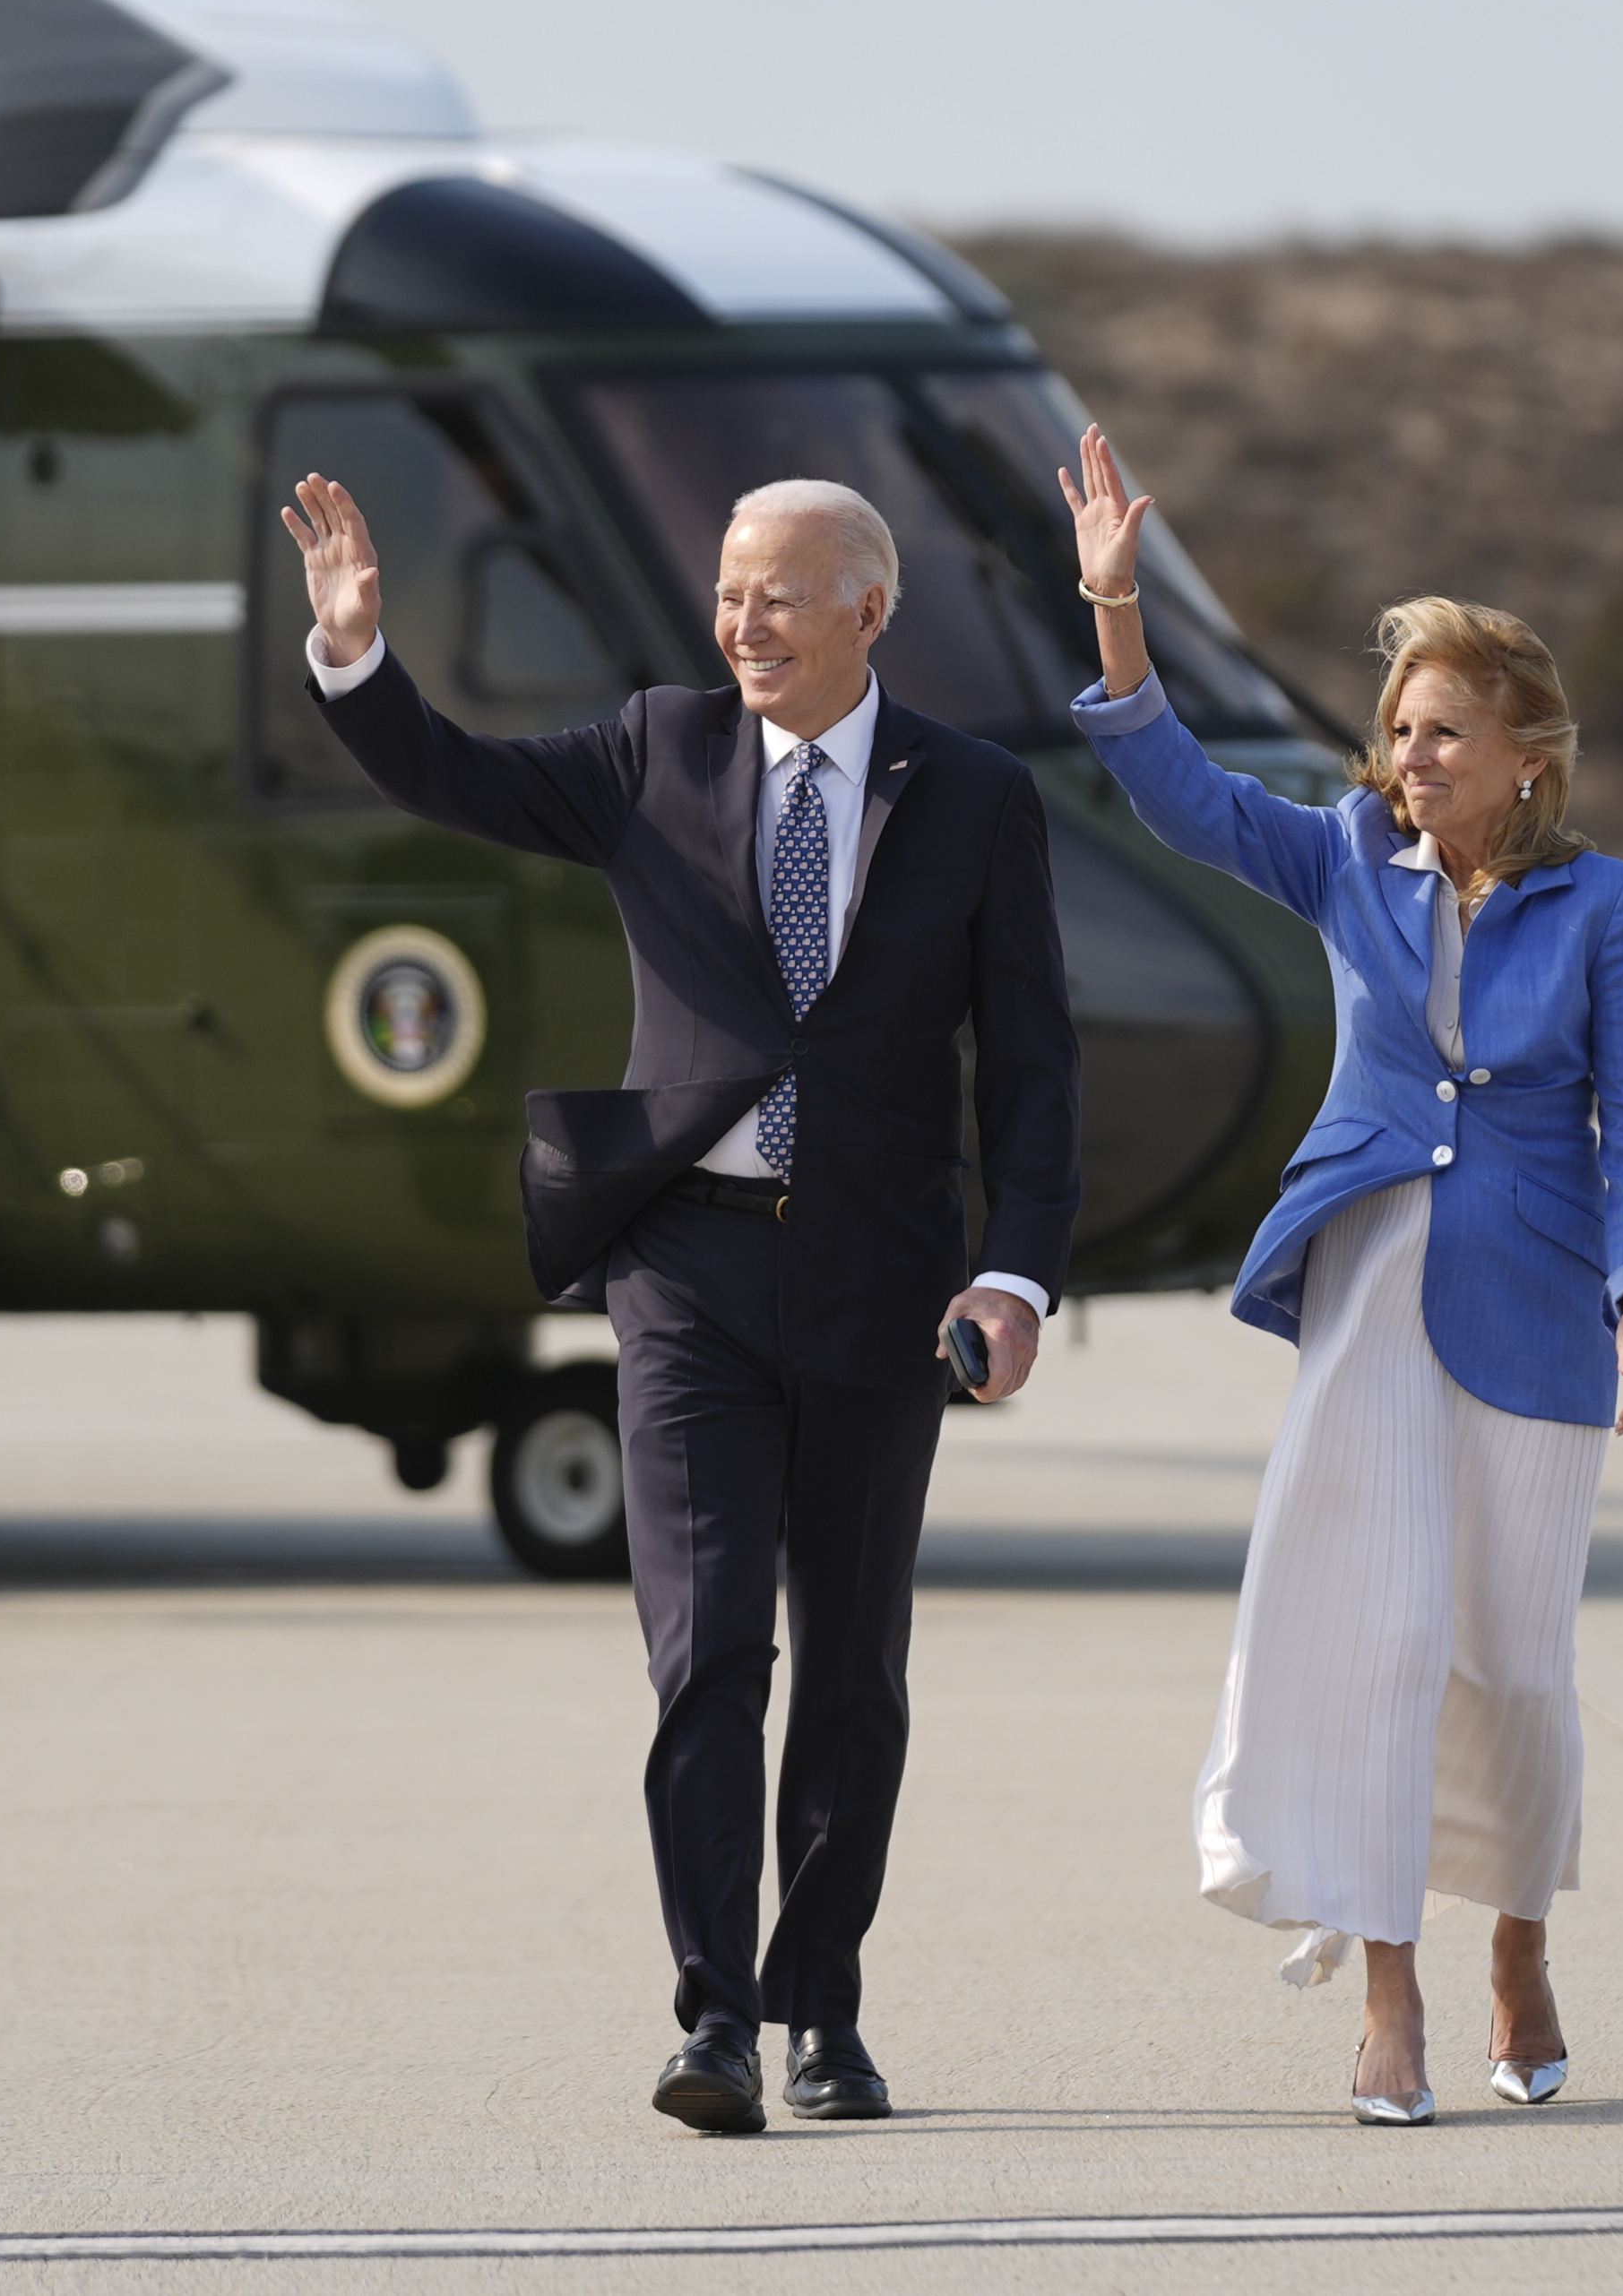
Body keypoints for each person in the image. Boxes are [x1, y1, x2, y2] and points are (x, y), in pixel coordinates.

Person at [280, 468, 1079, 2136]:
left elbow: (1030, 1067)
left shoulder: (976, 795)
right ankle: (715, 2017)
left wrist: (1012, 1274)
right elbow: (460, 780)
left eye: (777, 593)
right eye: (728, 592)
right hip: (687, 1276)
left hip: (881, 1282)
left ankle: (824, 2013)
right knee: (709, 1654)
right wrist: (356, 662)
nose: (742, 622)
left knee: (853, 1673)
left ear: (869, 610)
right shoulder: (657, 747)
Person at [1060, 425, 1623, 2128]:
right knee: (1379, 1633)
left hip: (1543, 1295)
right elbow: (1176, 791)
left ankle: (1518, 1940)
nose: (1410, 755)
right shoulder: (1340, 858)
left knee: (1516, 1665)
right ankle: (1388, 1991)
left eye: (1444, 731)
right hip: (1372, 1282)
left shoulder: (1605, 905)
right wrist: (1116, 613)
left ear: (1523, 758)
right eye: (1396, 728)